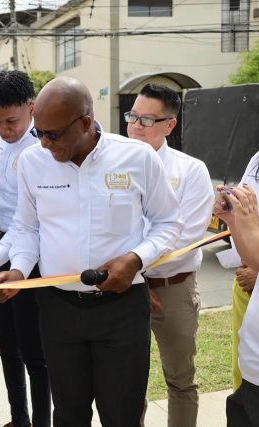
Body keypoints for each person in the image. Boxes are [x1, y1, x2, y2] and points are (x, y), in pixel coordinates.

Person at [0, 76, 183, 426]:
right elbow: (27, 228)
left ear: (84, 122)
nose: (45, 143)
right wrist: (18, 270)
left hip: (122, 311)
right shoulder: (33, 162)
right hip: (59, 310)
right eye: (40, 133)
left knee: (121, 415)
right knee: (68, 414)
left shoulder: (136, 157)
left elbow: (169, 223)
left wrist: (137, 258)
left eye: (53, 134)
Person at [125, 83, 214, 426]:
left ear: (170, 125)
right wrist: (135, 281)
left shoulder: (190, 171)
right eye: (133, 116)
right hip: (126, 288)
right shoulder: (112, 167)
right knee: (129, 381)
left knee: (180, 379)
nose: (135, 126)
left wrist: (137, 269)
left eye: (147, 120)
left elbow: (185, 239)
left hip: (172, 288)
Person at [0, 70, 50, 427]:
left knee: (35, 349)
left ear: (32, 109)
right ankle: (18, 418)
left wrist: (1, 251)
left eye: (11, 122)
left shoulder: (42, 148)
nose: (3, 130)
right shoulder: (4, 143)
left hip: (33, 252)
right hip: (1, 244)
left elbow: (29, 221)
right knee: (6, 342)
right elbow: (4, 205)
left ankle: (40, 422)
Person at [214, 185, 259, 427]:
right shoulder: (256, 160)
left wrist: (251, 227)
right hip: (252, 367)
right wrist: (234, 221)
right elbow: (253, 259)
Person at [228, 152, 259, 391]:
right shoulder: (256, 158)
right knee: (243, 373)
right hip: (246, 283)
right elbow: (244, 213)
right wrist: (230, 216)